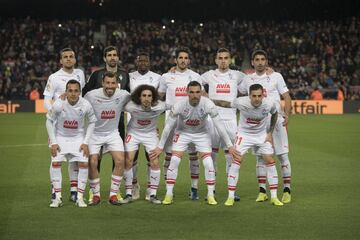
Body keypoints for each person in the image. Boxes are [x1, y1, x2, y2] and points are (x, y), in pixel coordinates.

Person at [150, 81, 241, 205]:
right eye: (192, 92)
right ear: (187, 92)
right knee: (175, 160)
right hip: (182, 133)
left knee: (209, 163)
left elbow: (219, 125)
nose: (195, 95)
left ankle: (210, 195)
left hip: (202, 134)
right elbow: (168, 127)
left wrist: (230, 145)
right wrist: (160, 146)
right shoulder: (179, 105)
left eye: (198, 92)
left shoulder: (208, 104)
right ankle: (169, 194)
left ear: (201, 92)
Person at [211, 83, 283, 207]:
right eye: (254, 96)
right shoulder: (241, 102)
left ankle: (274, 197)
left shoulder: (269, 103)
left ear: (263, 95)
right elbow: (225, 104)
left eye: (259, 96)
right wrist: (208, 99)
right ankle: (230, 197)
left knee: (270, 160)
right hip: (244, 135)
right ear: (249, 96)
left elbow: (275, 114)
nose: (256, 99)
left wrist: (270, 132)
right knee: (237, 160)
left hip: (261, 135)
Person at [239, 50, 292, 204]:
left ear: (266, 61)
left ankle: (287, 190)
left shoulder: (276, 76)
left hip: (277, 121)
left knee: (282, 155)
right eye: (257, 59)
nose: (260, 62)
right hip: (259, 123)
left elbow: (287, 97)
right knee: (260, 158)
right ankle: (262, 191)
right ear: (253, 62)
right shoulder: (248, 79)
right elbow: (239, 90)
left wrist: (287, 114)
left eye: (263, 59)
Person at [82, 45, 130, 201]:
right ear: (105, 58)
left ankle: (114, 193)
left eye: (115, 55)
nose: (112, 57)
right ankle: (94, 192)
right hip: (96, 130)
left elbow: (135, 100)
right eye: (109, 55)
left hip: (115, 127)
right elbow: (81, 97)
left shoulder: (124, 77)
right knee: (94, 160)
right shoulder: (96, 77)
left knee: (119, 159)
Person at [200, 48, 245, 201]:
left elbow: (253, 82)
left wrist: (268, 71)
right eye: (221, 58)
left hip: (231, 121)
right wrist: (205, 97)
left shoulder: (237, 75)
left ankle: (232, 191)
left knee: (230, 157)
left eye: (226, 58)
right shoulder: (209, 75)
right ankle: (210, 192)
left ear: (230, 60)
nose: (223, 60)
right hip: (212, 121)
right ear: (216, 60)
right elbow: (192, 81)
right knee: (211, 157)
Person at [158, 47, 202, 200]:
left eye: (186, 58)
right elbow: (159, 98)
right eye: (180, 58)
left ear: (189, 61)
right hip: (172, 119)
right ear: (175, 60)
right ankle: (168, 189)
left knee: (193, 155)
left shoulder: (195, 76)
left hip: (191, 121)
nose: (183, 60)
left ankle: (194, 189)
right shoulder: (165, 77)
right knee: (169, 155)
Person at [43, 47, 86, 202]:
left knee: (75, 158)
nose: (68, 59)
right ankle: (55, 190)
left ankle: (74, 191)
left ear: (75, 59)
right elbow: (46, 99)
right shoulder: (54, 77)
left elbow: (82, 95)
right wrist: (55, 109)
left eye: (71, 56)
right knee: (56, 159)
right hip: (57, 125)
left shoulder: (80, 74)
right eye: (65, 57)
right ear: (61, 60)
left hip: (76, 123)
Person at [46, 80, 97, 208]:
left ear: (80, 92)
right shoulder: (59, 103)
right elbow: (49, 121)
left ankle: (80, 197)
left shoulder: (85, 104)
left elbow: (92, 122)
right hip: (60, 136)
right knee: (55, 163)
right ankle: (57, 197)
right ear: (66, 92)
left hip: (78, 138)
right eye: (70, 90)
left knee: (84, 163)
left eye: (76, 91)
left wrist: (85, 142)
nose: (73, 94)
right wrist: (53, 142)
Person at [123, 84, 167, 204]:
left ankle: (152, 194)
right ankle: (128, 193)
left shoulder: (160, 106)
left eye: (149, 96)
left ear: (153, 98)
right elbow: (116, 108)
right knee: (128, 160)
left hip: (150, 135)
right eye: (144, 96)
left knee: (155, 162)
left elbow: (175, 106)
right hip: (134, 133)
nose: (146, 98)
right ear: (139, 97)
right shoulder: (131, 106)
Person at [128, 52, 161, 200]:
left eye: (145, 60)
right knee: (131, 159)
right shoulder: (129, 76)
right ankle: (134, 186)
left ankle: (150, 189)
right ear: (136, 62)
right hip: (133, 121)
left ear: (149, 62)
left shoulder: (158, 77)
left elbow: (161, 99)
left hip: (150, 124)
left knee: (152, 157)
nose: (142, 63)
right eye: (140, 60)